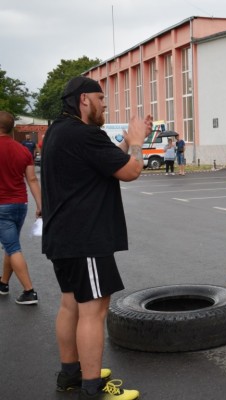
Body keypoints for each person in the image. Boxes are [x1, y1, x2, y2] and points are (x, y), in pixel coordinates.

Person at [41, 76, 152, 400]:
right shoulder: (85, 134)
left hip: (62, 238)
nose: (106, 104)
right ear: (83, 100)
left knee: (70, 305)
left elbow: (107, 160)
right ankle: (92, 387)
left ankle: (70, 374)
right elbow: (131, 171)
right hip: (86, 238)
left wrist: (129, 141)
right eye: (101, 98)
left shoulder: (59, 132)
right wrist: (137, 143)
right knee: (94, 310)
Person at [0, 111, 42, 305]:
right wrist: (41, 205)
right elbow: (32, 179)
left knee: (13, 247)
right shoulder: (23, 150)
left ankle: (29, 291)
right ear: (12, 128)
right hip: (20, 204)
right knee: (11, 244)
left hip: (2, 206)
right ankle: (3, 283)